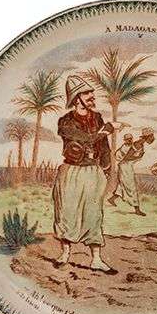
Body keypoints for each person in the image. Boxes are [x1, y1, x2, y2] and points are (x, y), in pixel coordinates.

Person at [52, 75, 116, 273]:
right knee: (66, 212)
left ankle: (96, 259)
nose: (91, 96)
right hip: (71, 171)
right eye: (86, 93)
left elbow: (103, 147)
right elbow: (86, 139)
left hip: (92, 171)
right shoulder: (65, 122)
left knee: (93, 213)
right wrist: (107, 130)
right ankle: (65, 254)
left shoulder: (97, 118)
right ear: (76, 97)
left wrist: (106, 168)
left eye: (91, 92)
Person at [107, 128, 154, 215]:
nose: (153, 138)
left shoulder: (139, 144)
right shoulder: (137, 144)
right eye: (151, 136)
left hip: (127, 167)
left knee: (123, 185)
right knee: (131, 187)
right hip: (125, 167)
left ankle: (111, 199)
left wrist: (139, 156)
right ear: (147, 137)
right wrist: (138, 156)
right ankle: (137, 209)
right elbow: (127, 158)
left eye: (130, 139)